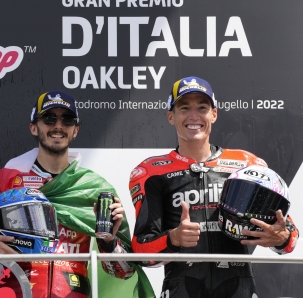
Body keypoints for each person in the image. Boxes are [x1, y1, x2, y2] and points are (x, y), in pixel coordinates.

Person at [0, 90, 154, 298]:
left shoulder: (94, 188)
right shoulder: (5, 182)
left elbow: (124, 270)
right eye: (49, 118)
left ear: (76, 130)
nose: (58, 125)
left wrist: (109, 241)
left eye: (67, 119)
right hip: (14, 292)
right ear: (34, 127)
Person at [128, 76, 299, 298]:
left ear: (214, 114)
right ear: (171, 116)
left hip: (239, 287)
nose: (194, 116)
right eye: (184, 108)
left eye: (202, 107)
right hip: (181, 288)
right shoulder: (151, 172)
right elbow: (141, 251)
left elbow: (289, 235)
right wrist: (174, 238)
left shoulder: (248, 164)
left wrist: (281, 237)